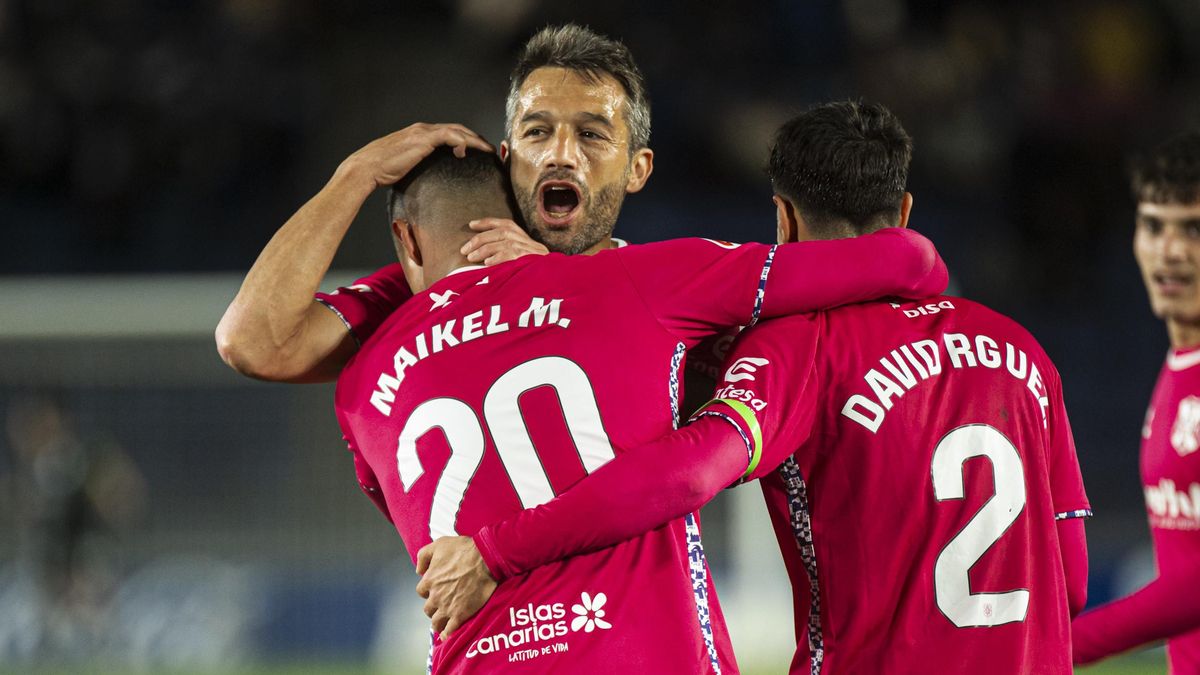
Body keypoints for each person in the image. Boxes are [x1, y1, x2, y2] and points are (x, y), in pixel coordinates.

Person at [417, 101, 1091, 674]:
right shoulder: (1022, 351)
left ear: (783, 219)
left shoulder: (799, 347)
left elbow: (687, 473)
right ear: (905, 209)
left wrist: (498, 549)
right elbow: (1072, 579)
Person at [335, 135, 947, 672]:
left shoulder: (361, 381)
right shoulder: (631, 280)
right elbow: (909, 259)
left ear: (406, 239)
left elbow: (261, 345)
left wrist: (355, 173)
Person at [216, 24, 653, 381]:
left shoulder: (665, 291)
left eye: (591, 134)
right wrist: (356, 174)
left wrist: (554, 281)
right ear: (507, 158)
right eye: (536, 132)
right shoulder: (439, 281)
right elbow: (253, 343)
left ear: (636, 169)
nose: (560, 154)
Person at [1072, 131, 1200, 672]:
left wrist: (1062, 643)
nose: (1170, 250)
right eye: (1153, 226)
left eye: (1193, 229)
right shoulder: (1180, 363)